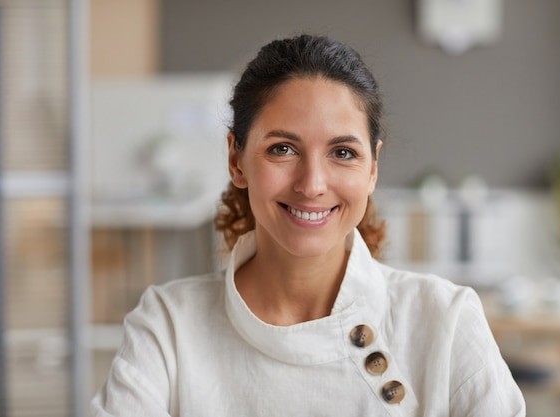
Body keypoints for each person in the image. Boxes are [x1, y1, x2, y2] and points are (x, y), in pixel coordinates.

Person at [90, 34, 525, 416]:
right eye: (282, 149)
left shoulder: (444, 321)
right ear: (235, 159)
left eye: (342, 153)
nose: (312, 185)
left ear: (373, 167)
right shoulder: (168, 328)